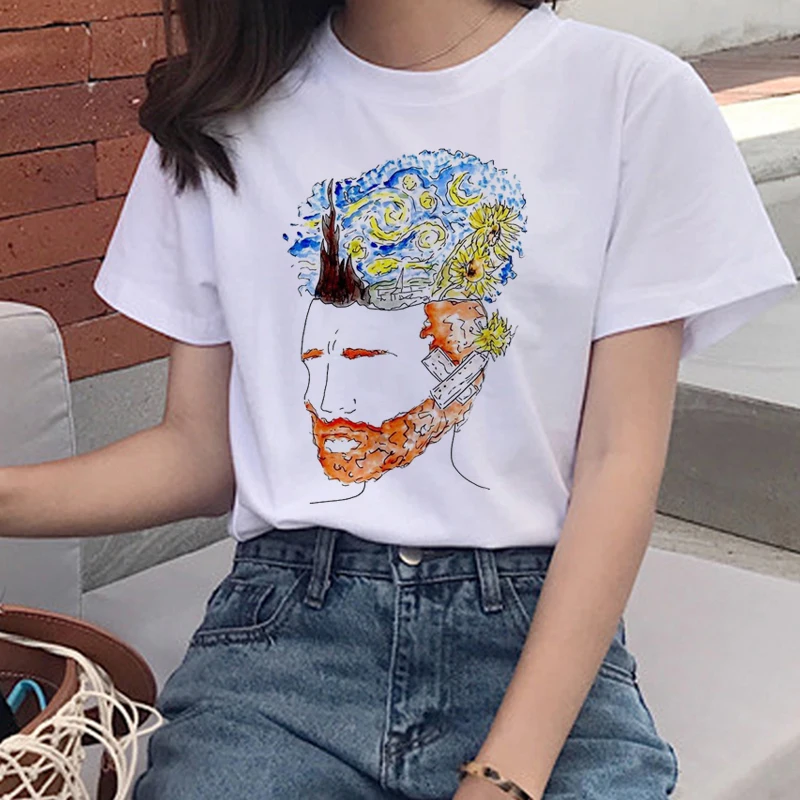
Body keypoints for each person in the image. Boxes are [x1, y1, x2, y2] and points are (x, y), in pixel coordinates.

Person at [0, 0, 796, 798]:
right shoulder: (217, 119)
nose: (327, 392)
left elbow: (617, 463)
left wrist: (504, 777)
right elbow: (200, 455)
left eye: (362, 353)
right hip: (285, 643)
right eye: (319, 355)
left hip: (532, 635)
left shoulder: (630, 96)